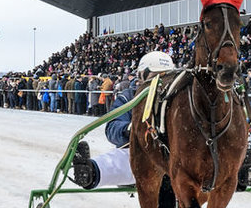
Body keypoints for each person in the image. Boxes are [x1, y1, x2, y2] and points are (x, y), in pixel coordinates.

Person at [72, 51, 175, 189]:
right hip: (140, 156)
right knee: (124, 160)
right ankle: (89, 172)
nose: (162, 82)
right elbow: (112, 128)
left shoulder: (177, 100)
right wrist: (130, 129)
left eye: (167, 76)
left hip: (173, 158)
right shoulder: (129, 98)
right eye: (155, 77)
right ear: (141, 76)